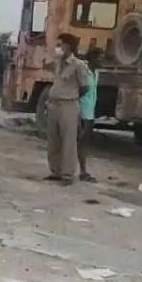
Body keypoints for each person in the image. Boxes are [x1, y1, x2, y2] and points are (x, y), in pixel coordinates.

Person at [45, 33, 88, 184]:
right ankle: (55, 171)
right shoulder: (58, 63)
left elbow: (84, 87)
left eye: (60, 44)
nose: (58, 48)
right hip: (53, 104)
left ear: (68, 46)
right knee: (53, 140)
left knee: (68, 141)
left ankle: (68, 174)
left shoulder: (78, 65)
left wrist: (71, 96)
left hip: (68, 105)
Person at [77, 49, 100, 183]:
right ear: (93, 59)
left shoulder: (95, 73)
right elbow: (79, 91)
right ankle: (82, 171)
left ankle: (82, 170)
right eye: (100, 58)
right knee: (79, 142)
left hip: (90, 111)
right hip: (82, 111)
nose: (102, 61)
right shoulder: (84, 72)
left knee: (84, 142)